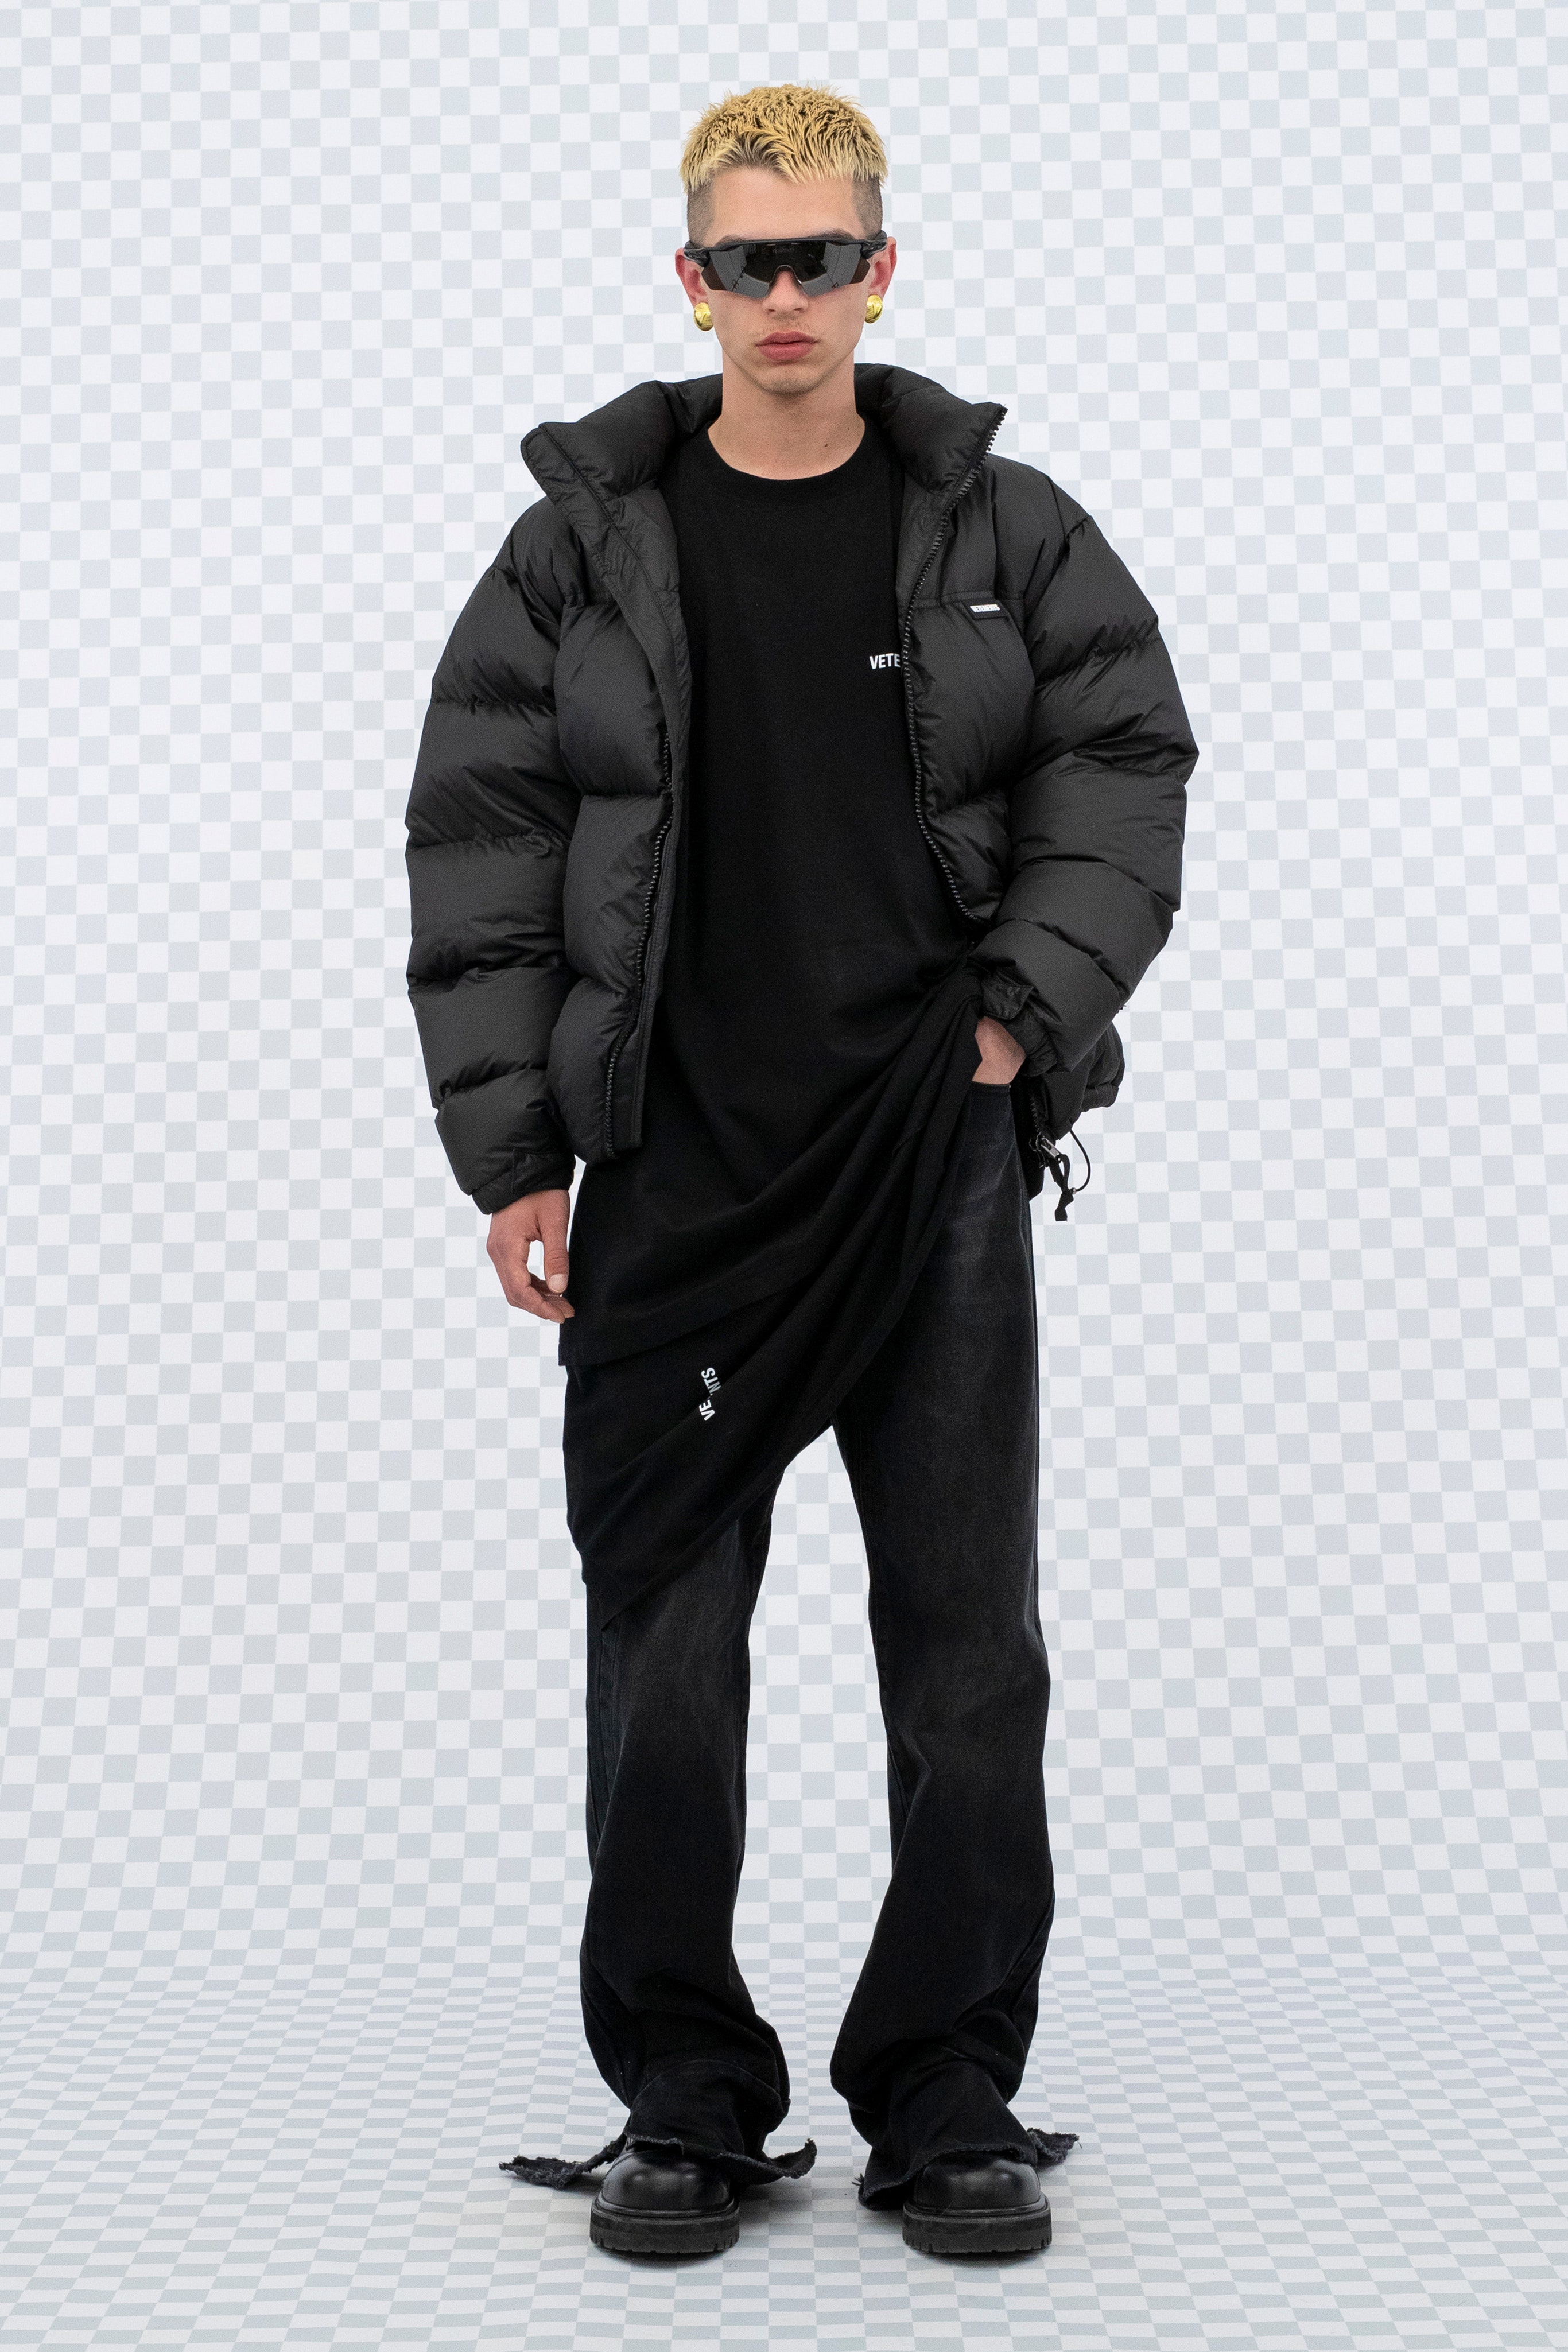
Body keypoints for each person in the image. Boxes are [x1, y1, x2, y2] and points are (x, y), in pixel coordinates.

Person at [405, 84, 1196, 2262]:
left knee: (965, 1646)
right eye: (744, 260)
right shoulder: (580, 549)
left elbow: (1123, 757)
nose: (784, 295)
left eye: (820, 256)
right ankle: (682, 2091)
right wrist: (515, 1151)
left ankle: (945, 2090)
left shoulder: (1001, 526)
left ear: (878, 270)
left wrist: (1014, 1015)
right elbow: (482, 841)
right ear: (690, 278)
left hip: (928, 1152)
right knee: (663, 1638)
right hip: (674, 1161)